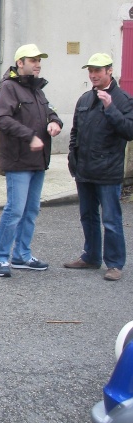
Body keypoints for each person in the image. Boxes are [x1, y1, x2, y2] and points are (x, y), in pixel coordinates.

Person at [0, 44, 62, 278]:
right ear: (20, 63)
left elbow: (49, 110)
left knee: (31, 210)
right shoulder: (9, 88)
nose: (38, 63)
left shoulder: (37, 89)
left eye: (39, 59)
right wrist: (29, 135)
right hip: (19, 160)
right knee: (15, 211)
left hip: (38, 160)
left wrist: (54, 122)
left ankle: (21, 255)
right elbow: (0, 119)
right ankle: (0, 258)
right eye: (33, 60)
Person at [64, 53, 133, 282]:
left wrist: (110, 107)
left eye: (98, 70)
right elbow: (75, 131)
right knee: (88, 216)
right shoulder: (84, 99)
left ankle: (114, 264)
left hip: (108, 171)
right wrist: (72, 157)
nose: (93, 75)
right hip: (84, 170)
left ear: (109, 71)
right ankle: (91, 256)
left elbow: (129, 131)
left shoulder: (123, 99)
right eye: (90, 71)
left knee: (111, 219)